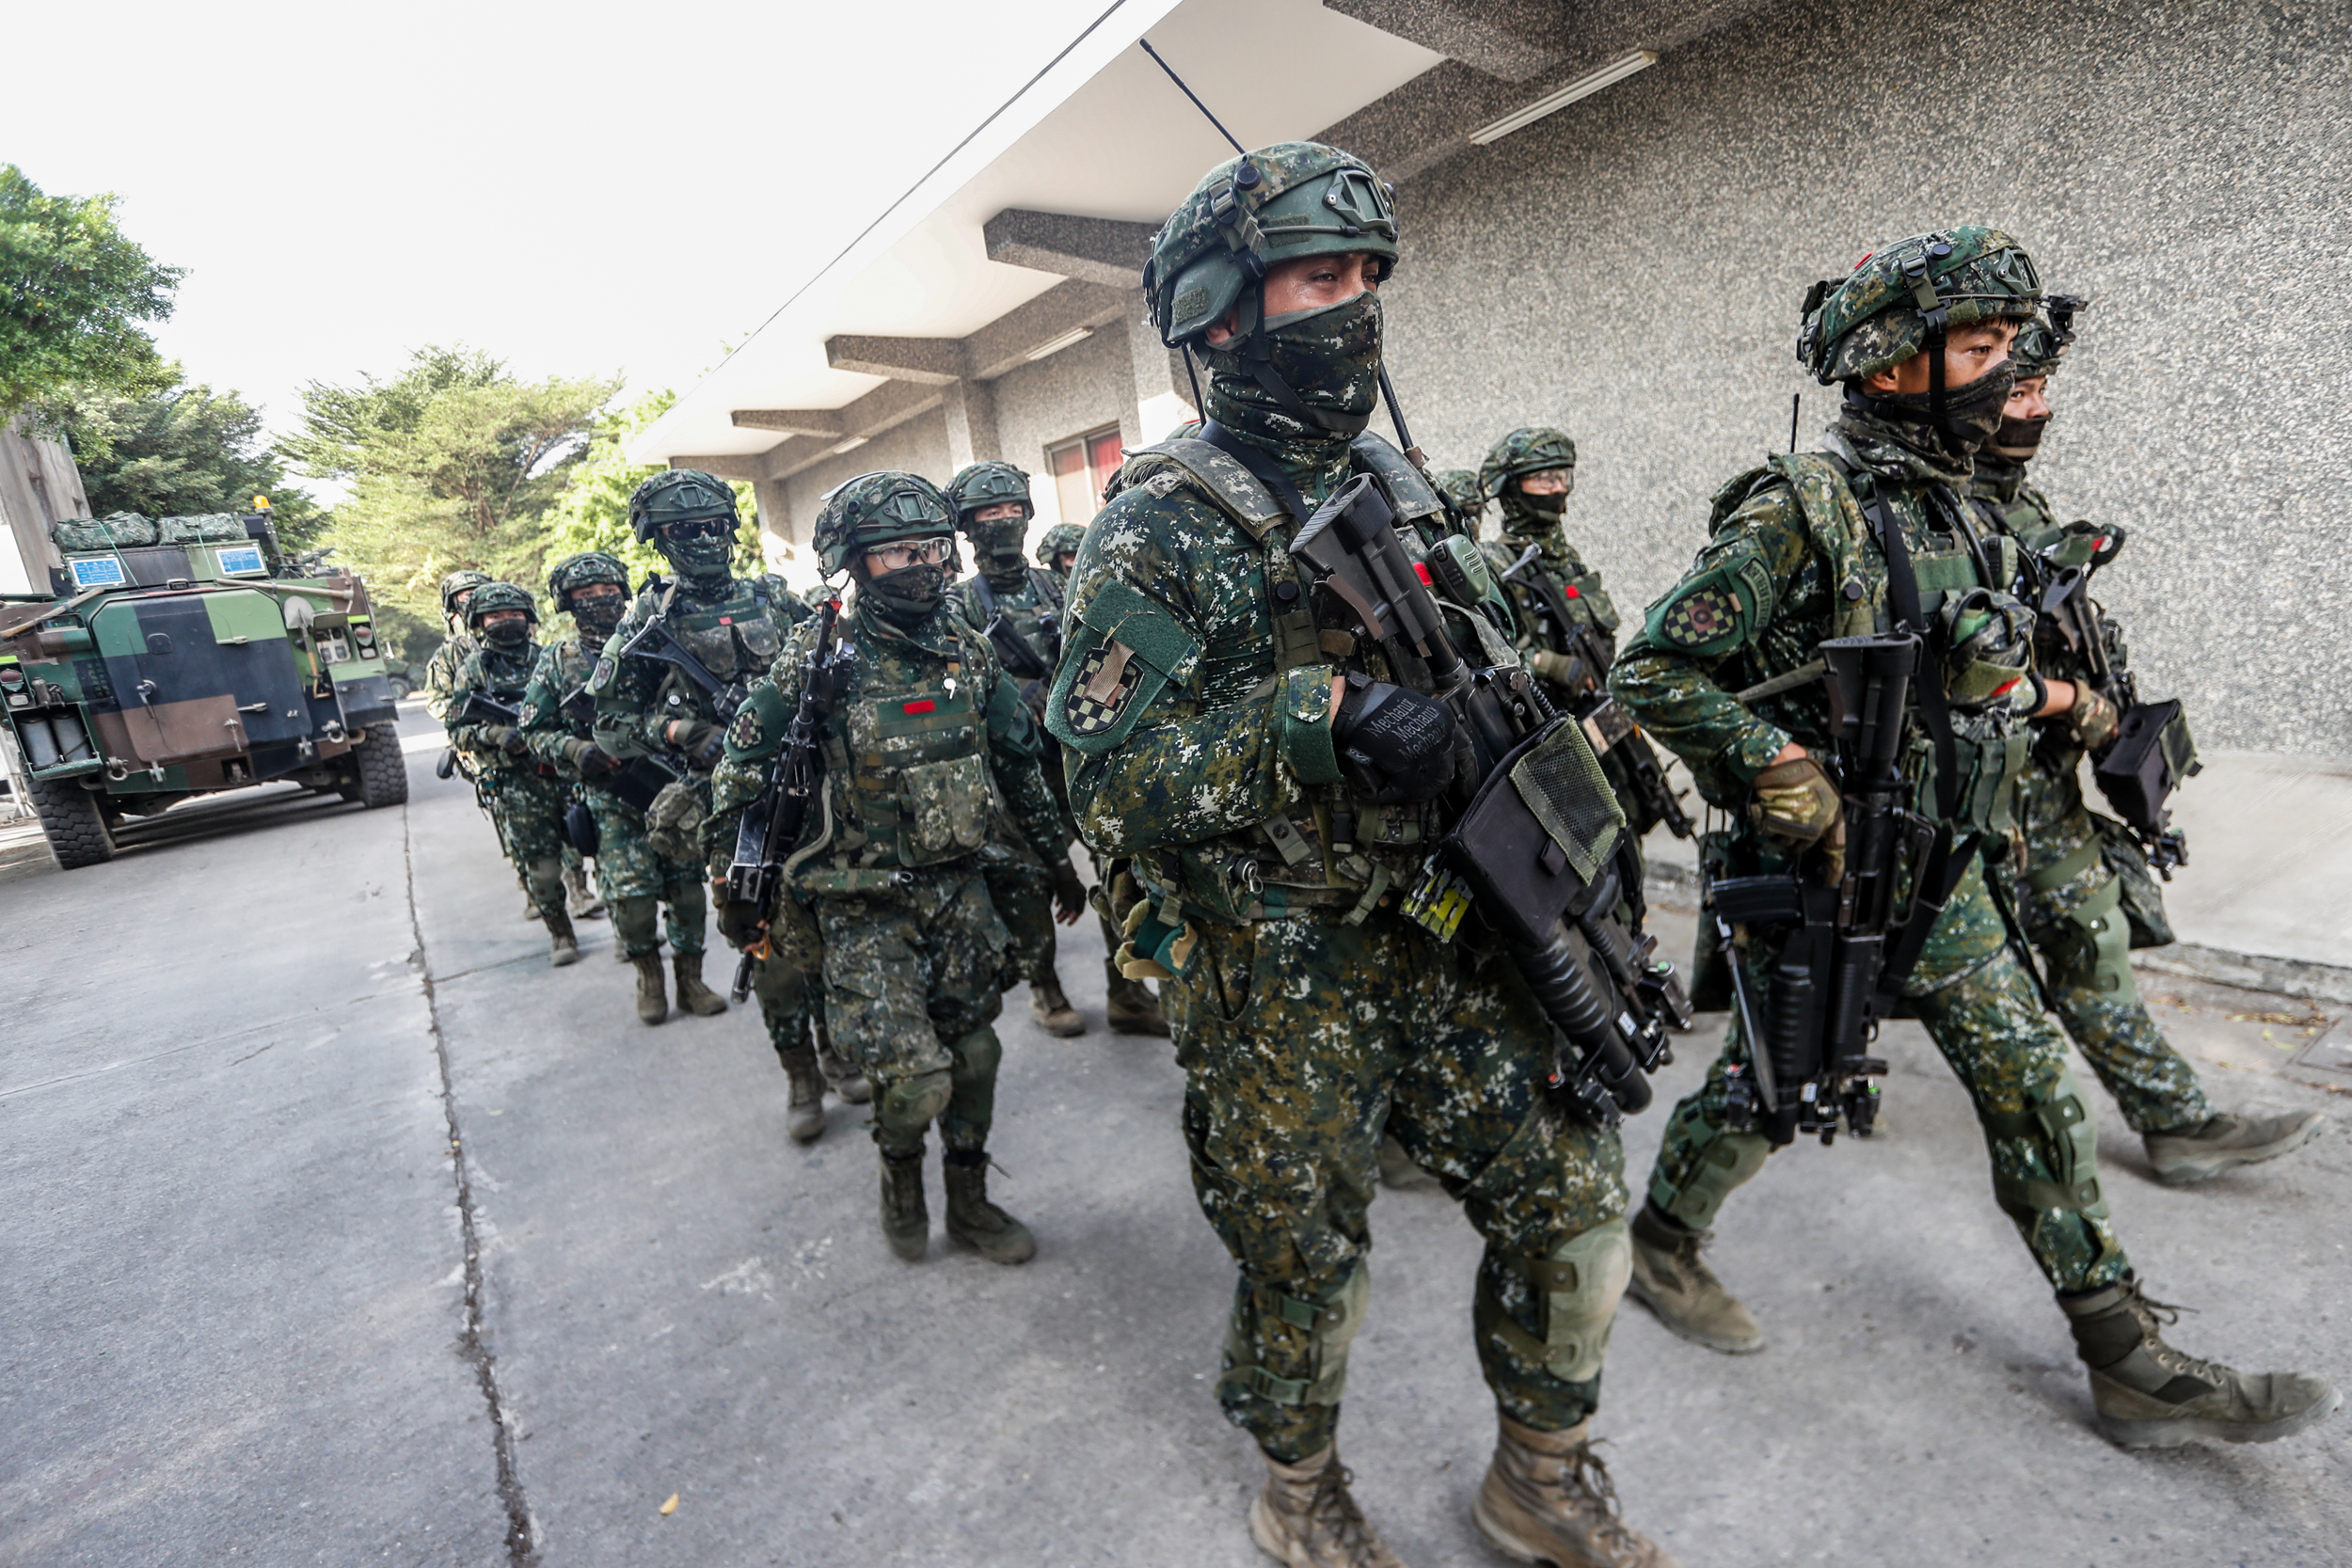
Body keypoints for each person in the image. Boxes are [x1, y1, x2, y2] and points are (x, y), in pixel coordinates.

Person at [1053, 141, 1679, 1568]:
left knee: (1573, 1196)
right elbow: (1106, 783)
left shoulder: (1401, 477)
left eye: (1367, 277)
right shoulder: (1164, 527)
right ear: (1219, 315)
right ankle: (1299, 1483)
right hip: (1284, 970)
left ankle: (1542, 1470)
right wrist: (1312, 718)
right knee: (1299, 1255)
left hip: (1457, 926)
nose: (1355, 309)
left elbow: (1482, 658)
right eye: (1318, 278)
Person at [1612, 227, 2337, 1450]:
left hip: (1954, 867)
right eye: (1988, 345)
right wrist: (1781, 768)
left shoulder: (1972, 497)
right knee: (1769, 1087)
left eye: (2013, 343)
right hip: (1831, 866)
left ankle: (2125, 1355)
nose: (2014, 371)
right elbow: (1654, 667)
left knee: (2034, 1088)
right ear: (1896, 364)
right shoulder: (1806, 512)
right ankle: (1661, 1243)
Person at [1969, 305, 2328, 1184]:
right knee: (1856, 985)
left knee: (2091, 940)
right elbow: (1955, 678)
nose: (2035, 407)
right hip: (1956, 802)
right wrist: (2071, 700)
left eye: (2043, 387)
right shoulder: (1938, 515)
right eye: (2017, 388)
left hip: (2037, 790)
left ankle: (2177, 1124)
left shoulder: (2015, 501)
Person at [707, 471, 1081, 1263]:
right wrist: (742, 881)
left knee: (975, 1055)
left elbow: (1018, 761)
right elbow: (742, 775)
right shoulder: (816, 660)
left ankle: (972, 1201)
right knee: (914, 1082)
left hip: (958, 889)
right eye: (896, 553)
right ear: (853, 562)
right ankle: (900, 1177)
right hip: (858, 903)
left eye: (932, 549)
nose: (920, 565)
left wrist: (1056, 859)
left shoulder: (965, 648)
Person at [586, 470, 809, 1025]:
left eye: (713, 526)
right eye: (685, 530)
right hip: (727, 806)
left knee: (832, 919)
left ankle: (836, 1049)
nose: (705, 540)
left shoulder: (774, 601)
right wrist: (681, 732)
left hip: (809, 785)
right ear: (659, 540)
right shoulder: (647, 621)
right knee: (762, 934)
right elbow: (610, 723)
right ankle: (801, 1068)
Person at [947, 461, 1089, 1036]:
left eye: (1012, 510)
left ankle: (1128, 988)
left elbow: (1100, 650)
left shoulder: (1058, 584)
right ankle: (1046, 988)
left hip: (1079, 757)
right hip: (1017, 768)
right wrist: (1013, 699)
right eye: (989, 513)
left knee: (1114, 867)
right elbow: (953, 686)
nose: (1003, 521)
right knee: (1033, 882)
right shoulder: (960, 604)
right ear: (969, 526)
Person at [444, 582, 579, 966]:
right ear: (478, 622)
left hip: (568, 770)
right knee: (542, 865)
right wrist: (499, 735)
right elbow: (458, 730)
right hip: (519, 783)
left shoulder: (551, 658)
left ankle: (628, 930)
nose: (506, 622)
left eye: (514, 614)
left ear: (529, 618)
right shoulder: (475, 670)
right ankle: (561, 934)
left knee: (600, 848)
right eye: (495, 616)